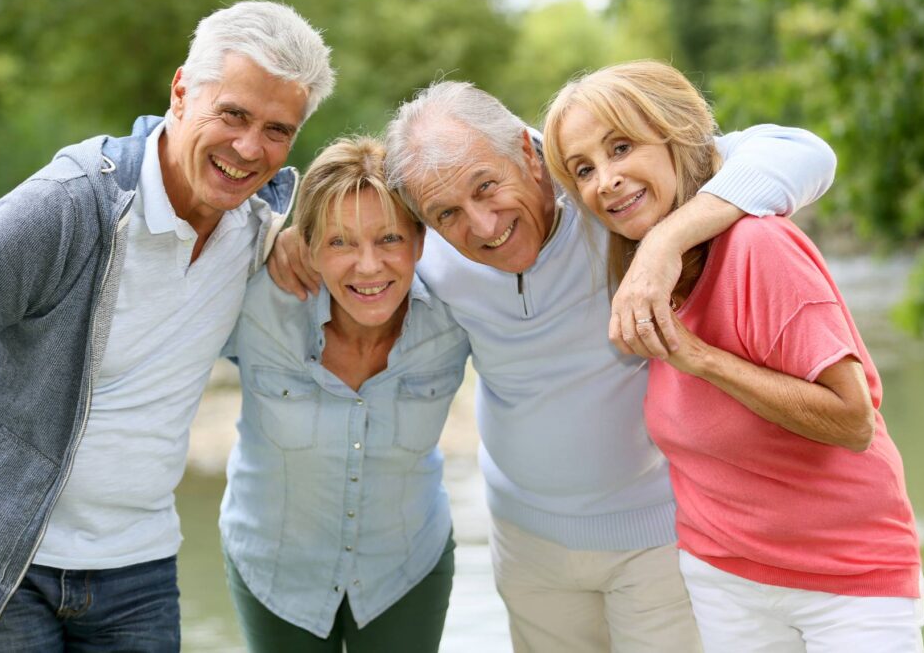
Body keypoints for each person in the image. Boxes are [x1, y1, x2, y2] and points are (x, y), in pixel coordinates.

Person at [269, 80, 836, 651]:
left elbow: (804, 151)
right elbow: (357, 238)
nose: (484, 226)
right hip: (526, 544)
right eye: (448, 213)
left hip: (661, 535)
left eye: (487, 187)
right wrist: (290, 237)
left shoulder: (606, 196)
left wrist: (664, 243)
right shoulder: (427, 250)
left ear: (526, 152)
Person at [0, 0, 333, 650]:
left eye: (277, 129)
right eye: (233, 113)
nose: (249, 147)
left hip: (140, 567)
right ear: (182, 90)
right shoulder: (66, 207)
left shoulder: (259, 227)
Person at [543, 60, 923, 652]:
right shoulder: (638, 269)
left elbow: (852, 423)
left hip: (849, 579)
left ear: (677, 139)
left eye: (621, 147)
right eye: (584, 169)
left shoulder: (758, 245)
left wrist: (702, 360)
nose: (606, 181)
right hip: (725, 579)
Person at [221, 136, 469, 652]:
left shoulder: (457, 316)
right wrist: (271, 236)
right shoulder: (253, 303)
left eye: (389, 239)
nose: (368, 266)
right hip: (274, 571)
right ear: (307, 245)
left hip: (405, 567)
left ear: (421, 241)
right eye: (339, 243)